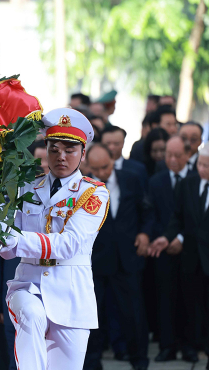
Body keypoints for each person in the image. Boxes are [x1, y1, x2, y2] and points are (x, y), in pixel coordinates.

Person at [0, 108, 108, 369]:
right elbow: (7, 249)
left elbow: (67, 245)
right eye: (54, 149)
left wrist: (13, 239)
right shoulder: (27, 188)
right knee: (32, 314)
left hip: (71, 296)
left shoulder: (93, 194)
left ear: (82, 152)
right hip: (28, 286)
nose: (61, 156)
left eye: (70, 150)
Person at [83, 144, 151, 370]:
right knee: (93, 315)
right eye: (97, 169)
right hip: (97, 261)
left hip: (127, 258)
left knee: (133, 313)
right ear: (88, 167)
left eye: (106, 167)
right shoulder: (82, 187)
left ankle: (139, 360)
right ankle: (92, 362)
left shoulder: (131, 179)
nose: (102, 173)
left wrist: (144, 233)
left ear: (112, 161)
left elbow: (147, 211)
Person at [148, 143, 209, 366]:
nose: (202, 169)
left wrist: (180, 238)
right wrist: (167, 236)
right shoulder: (189, 183)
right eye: (201, 164)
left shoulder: (191, 178)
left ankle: (196, 346)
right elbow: (178, 216)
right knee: (182, 303)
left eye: (206, 166)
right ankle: (179, 346)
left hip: (202, 254)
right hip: (187, 257)